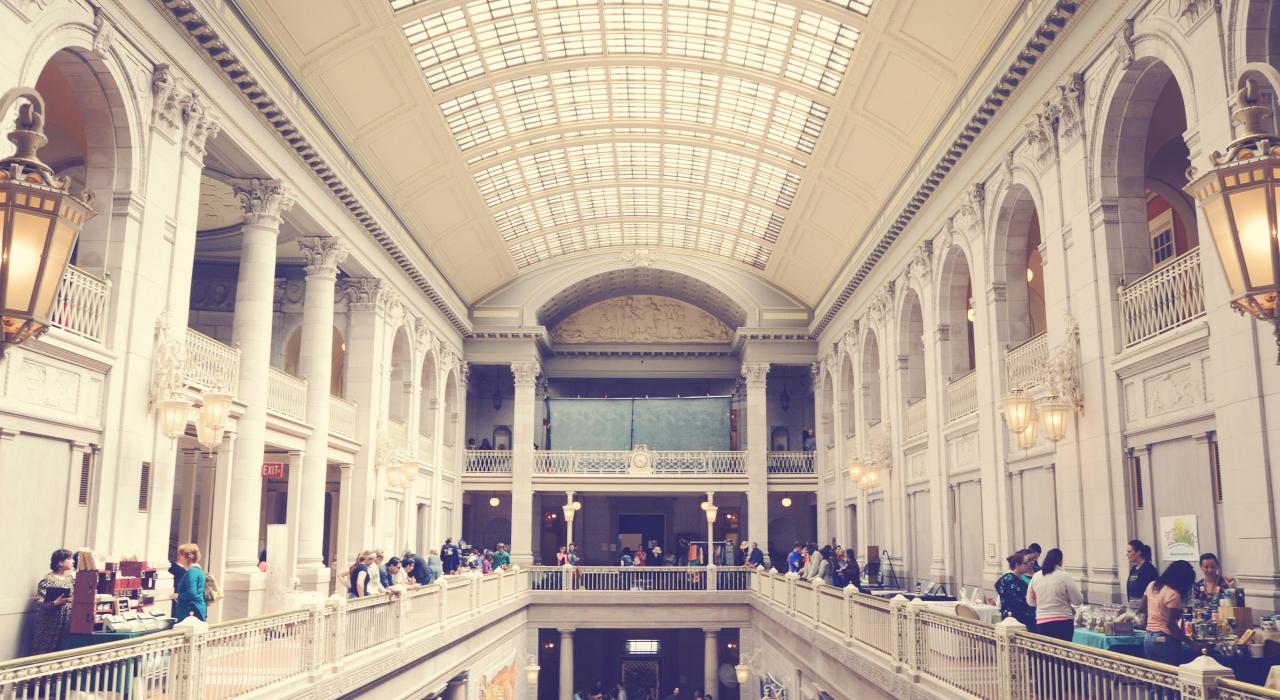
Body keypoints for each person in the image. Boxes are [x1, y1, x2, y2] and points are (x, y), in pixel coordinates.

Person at [1140, 560, 1205, 664]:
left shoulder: (1152, 585)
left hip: (1148, 638)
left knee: (1155, 672)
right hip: (1165, 639)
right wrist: (1191, 643)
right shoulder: (1173, 594)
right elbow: (1171, 624)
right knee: (1171, 672)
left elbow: (1142, 608)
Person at [1025, 548, 1081, 641]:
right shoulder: (1064, 576)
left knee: (1047, 649)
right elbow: (1077, 601)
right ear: (1060, 561)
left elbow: (1030, 601)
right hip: (1063, 620)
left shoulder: (1036, 577)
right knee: (1063, 648)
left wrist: (1041, 603)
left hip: (1042, 621)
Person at [31, 548, 75, 654]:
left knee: (60, 650)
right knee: (45, 650)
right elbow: (39, 601)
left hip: (65, 620)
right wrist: (55, 603)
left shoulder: (70, 578)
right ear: (60, 562)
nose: (73, 561)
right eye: (69, 558)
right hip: (50, 622)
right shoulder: (48, 579)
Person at [995, 549, 1036, 630]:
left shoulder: (1016, 578)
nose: (1029, 564)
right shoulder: (1010, 579)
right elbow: (1022, 597)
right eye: (1025, 563)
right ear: (1017, 565)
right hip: (1015, 620)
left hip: (1016, 618)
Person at [173, 543, 207, 622]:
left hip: (190, 611)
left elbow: (191, 593)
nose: (178, 557)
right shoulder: (198, 570)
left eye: (180, 554)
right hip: (196, 609)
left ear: (186, 557)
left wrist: (177, 596)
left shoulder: (191, 572)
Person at [1125, 539, 1158, 604]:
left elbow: (1153, 591)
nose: (1127, 554)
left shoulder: (1149, 569)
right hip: (1133, 606)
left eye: (1129, 552)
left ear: (1138, 552)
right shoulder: (1133, 569)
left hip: (1145, 607)